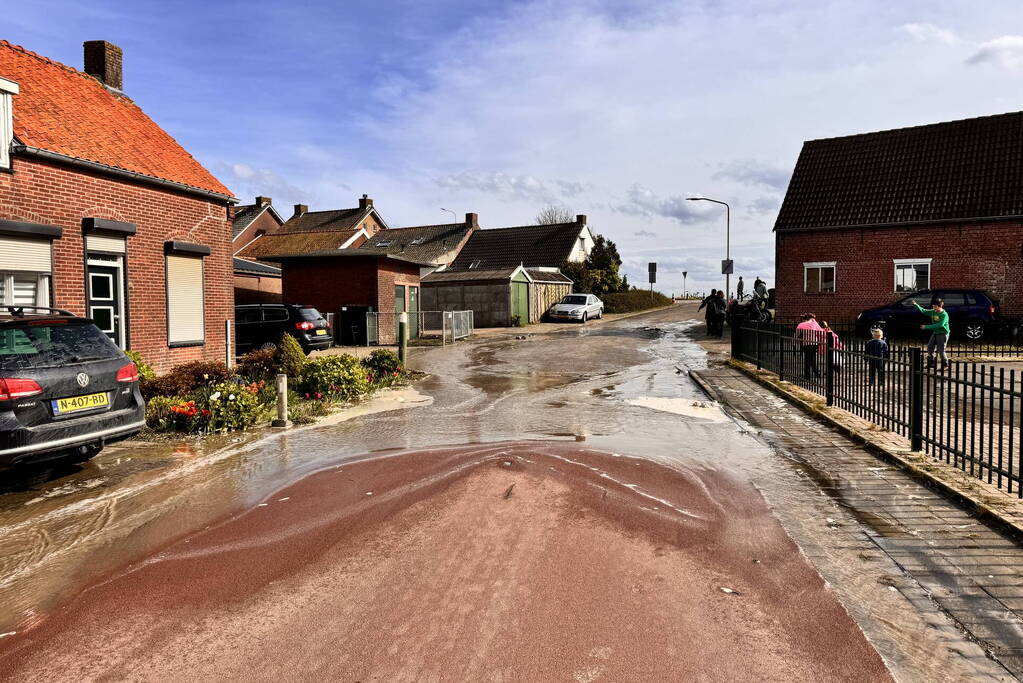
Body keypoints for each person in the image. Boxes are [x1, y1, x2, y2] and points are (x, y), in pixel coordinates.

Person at [913, 297, 950, 370]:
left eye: (935, 307)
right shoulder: (933, 311)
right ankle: (931, 363)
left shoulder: (944, 315)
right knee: (930, 347)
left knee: (941, 350)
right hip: (936, 332)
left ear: (940, 306)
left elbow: (940, 325)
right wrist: (916, 305)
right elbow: (924, 311)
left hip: (943, 333)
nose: (933, 308)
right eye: (933, 306)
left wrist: (926, 327)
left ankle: (946, 365)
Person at [794, 313, 822, 379]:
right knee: (812, 359)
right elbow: (821, 331)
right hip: (814, 344)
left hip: (806, 344)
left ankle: (808, 375)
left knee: (807, 359)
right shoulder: (814, 324)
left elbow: (797, 334)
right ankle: (817, 373)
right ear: (811, 318)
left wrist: (795, 343)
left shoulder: (801, 324)